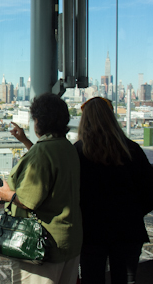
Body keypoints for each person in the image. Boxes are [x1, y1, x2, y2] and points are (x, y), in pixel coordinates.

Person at [0, 93, 82, 284]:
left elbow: (28, 201)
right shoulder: (66, 147)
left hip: (42, 246)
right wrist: (26, 142)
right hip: (68, 240)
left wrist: (6, 194)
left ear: (38, 121)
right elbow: (49, 166)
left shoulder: (43, 152)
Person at [75, 97, 153, 284]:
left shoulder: (78, 152)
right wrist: (133, 212)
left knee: (92, 279)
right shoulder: (131, 149)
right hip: (128, 231)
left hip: (90, 232)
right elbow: (150, 191)